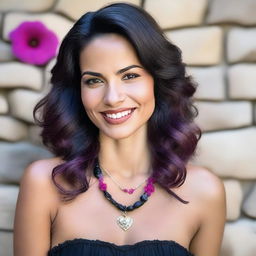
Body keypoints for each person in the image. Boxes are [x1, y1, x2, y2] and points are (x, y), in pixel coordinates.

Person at [13, 3, 226, 256]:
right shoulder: (43, 184)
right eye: (94, 81)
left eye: (130, 76)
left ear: (157, 81)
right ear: (77, 92)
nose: (112, 98)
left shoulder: (205, 192)